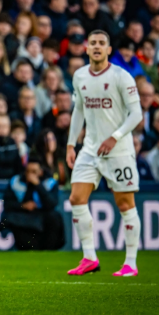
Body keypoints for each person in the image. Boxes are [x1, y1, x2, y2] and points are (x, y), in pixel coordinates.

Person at [66, 30, 143, 277]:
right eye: (93, 43)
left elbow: (136, 115)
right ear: (86, 49)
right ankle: (89, 258)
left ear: (109, 50)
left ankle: (130, 263)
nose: (97, 47)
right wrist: (70, 144)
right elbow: (78, 109)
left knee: (125, 204)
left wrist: (115, 137)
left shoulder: (122, 76)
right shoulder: (79, 76)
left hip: (118, 150)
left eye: (102, 43)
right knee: (76, 199)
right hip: (89, 149)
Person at [1, 156, 64, 250]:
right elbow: (7, 204)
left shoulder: (50, 182)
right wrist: (23, 206)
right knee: (10, 217)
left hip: (43, 217)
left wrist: (38, 185)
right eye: (28, 171)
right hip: (24, 218)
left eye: (34, 171)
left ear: (41, 172)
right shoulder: (16, 182)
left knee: (54, 216)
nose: (30, 175)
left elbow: (52, 204)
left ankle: (49, 250)